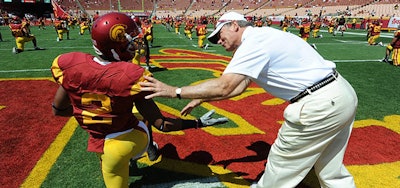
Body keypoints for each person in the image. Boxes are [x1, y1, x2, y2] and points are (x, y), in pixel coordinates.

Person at [139, 11, 358, 188]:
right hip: (340, 94)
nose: (218, 41)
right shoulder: (264, 36)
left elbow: (228, 86)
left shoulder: (253, 42)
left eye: (219, 35)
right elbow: (240, 86)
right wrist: (201, 98)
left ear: (234, 25)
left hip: (319, 104)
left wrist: (174, 91)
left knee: (278, 171)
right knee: (331, 171)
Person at [50, 12, 228, 188]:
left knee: (114, 174)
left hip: (100, 144)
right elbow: (162, 124)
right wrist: (197, 123)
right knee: (142, 117)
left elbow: (58, 110)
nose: (134, 44)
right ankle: (147, 148)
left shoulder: (71, 66)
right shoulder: (130, 75)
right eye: (129, 40)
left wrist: (93, 114)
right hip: (130, 141)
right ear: (115, 45)